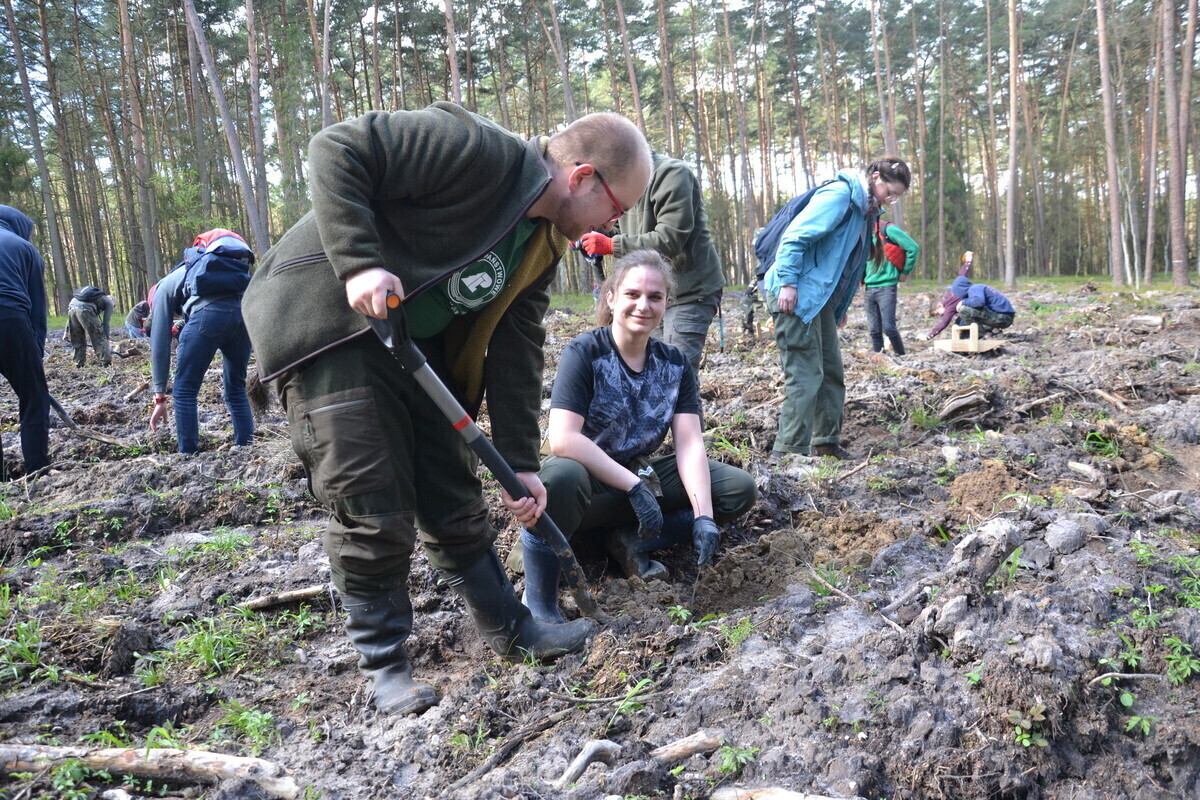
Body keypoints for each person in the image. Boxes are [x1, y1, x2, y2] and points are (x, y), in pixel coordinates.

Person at [241, 102, 652, 716]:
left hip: (416, 348)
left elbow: (519, 349)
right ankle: (386, 666)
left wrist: (520, 463)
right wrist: (359, 264)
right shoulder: (475, 149)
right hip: (334, 327)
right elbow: (337, 147)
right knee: (371, 500)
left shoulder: (540, 246)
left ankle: (513, 630)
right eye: (616, 207)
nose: (614, 224)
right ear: (583, 176)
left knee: (453, 491)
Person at [519, 250, 757, 623]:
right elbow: (564, 439)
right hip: (588, 485)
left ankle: (633, 541)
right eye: (632, 294)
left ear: (666, 303)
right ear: (611, 298)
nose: (643, 305)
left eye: (655, 297)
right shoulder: (585, 352)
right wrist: (633, 487)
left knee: (735, 487)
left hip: (641, 479)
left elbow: (690, 443)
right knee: (561, 476)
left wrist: (703, 516)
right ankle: (539, 600)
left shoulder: (675, 364)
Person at [765, 157, 912, 460]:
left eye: (897, 196)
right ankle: (788, 454)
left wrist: (839, 305)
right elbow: (795, 238)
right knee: (805, 374)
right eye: (890, 191)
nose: (891, 199)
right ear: (875, 177)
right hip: (795, 295)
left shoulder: (865, 212)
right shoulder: (839, 197)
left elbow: (847, 263)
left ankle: (825, 442)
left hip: (820, 301)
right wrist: (789, 282)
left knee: (831, 372)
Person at [578, 152, 725, 369]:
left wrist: (611, 245)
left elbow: (670, 238)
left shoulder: (672, 174)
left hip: (689, 292)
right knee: (649, 369)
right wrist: (591, 233)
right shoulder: (626, 183)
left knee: (675, 371)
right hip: (648, 293)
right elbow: (621, 228)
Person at [148, 229, 255, 454]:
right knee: (236, 390)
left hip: (208, 316)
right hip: (243, 317)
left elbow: (159, 343)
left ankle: (188, 455)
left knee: (185, 390)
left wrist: (159, 395)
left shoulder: (164, 287)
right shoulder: (225, 272)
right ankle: (247, 450)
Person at [0, 206, 51, 479]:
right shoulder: (24, 248)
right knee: (33, 397)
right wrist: (36, 353)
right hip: (9, 318)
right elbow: (37, 309)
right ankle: (37, 472)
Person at [862, 218, 919, 355]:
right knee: (874, 331)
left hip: (887, 286)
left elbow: (913, 248)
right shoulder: (862, 233)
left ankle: (902, 357)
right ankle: (879, 361)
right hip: (869, 287)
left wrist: (905, 272)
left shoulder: (887, 229)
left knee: (889, 328)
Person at [927, 251, 974, 339]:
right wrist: (968, 262)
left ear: (940, 305)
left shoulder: (949, 307)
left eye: (938, 313)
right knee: (958, 323)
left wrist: (928, 336)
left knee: (962, 322)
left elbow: (944, 323)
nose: (940, 315)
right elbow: (962, 275)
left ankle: (971, 338)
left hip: (978, 304)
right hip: (975, 300)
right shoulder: (949, 295)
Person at [949, 273, 1015, 336]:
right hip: (1004, 317)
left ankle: (984, 335)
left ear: (961, 289)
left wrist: (962, 302)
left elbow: (979, 302)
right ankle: (994, 332)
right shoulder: (978, 288)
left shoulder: (974, 289)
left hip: (1004, 317)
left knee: (964, 310)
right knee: (972, 312)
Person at [66, 286, 114, 367]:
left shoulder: (92, 297)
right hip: (85, 310)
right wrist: (106, 339)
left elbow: (69, 318)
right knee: (98, 336)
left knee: (77, 338)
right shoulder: (109, 303)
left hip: (72, 307)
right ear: (112, 300)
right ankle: (106, 363)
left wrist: (66, 331)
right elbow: (106, 323)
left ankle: (78, 363)